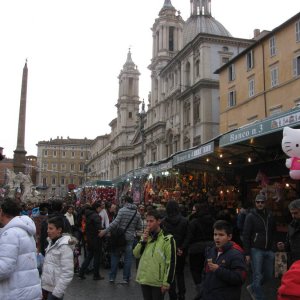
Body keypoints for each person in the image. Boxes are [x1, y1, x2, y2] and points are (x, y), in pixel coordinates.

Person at [0, 198, 42, 300]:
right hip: (26, 290)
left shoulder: (10, 234)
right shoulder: (24, 230)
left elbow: (4, 268)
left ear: (1, 212)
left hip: (16, 293)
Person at [133, 209, 176, 300]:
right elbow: (136, 254)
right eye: (147, 221)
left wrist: (166, 283)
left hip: (158, 282)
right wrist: (143, 242)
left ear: (158, 221)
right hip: (145, 279)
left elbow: (171, 262)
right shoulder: (145, 236)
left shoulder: (167, 239)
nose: (148, 224)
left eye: (151, 221)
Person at [199, 220, 247, 300]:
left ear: (229, 237)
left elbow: (239, 278)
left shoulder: (236, 254)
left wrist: (218, 270)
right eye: (215, 234)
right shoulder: (211, 250)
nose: (217, 237)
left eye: (221, 235)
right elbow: (205, 273)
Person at [99, 195, 142, 284]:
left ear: (126, 201)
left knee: (115, 256)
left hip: (119, 238)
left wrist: (105, 231)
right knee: (128, 259)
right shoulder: (137, 213)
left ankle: (112, 277)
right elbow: (139, 227)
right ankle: (126, 278)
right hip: (130, 238)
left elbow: (115, 223)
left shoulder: (122, 211)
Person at [243, 193, 277, 300]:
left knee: (269, 275)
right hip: (255, 249)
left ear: (265, 203)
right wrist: (247, 253)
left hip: (269, 250)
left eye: (262, 202)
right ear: (255, 203)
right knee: (257, 275)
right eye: (258, 202)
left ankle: (253, 287)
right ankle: (259, 297)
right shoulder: (250, 216)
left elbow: (273, 232)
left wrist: (274, 247)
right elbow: (246, 235)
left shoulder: (270, 215)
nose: (260, 204)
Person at [186, 202, 215, 300]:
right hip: (211, 249)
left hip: (196, 250)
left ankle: (201, 292)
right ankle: (206, 291)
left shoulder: (194, 222)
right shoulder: (213, 221)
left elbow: (189, 237)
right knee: (209, 270)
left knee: (196, 271)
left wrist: (183, 248)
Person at [161, 200, 189, 300]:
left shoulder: (164, 221)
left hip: (168, 251)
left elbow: (162, 237)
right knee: (180, 273)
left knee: (170, 272)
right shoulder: (185, 221)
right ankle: (182, 294)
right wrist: (182, 248)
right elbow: (187, 236)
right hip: (181, 250)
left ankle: (172, 295)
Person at [41, 216, 74, 300]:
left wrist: (57, 292)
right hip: (45, 287)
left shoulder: (65, 247)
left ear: (59, 230)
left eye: (51, 228)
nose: (48, 231)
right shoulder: (51, 242)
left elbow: (68, 273)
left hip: (55, 291)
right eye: (48, 228)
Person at [78, 201, 104, 280]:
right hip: (96, 239)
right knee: (96, 258)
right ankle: (96, 275)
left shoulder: (89, 215)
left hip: (90, 239)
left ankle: (81, 272)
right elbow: (99, 228)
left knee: (89, 257)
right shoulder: (95, 216)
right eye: (100, 208)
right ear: (97, 208)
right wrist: (104, 231)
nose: (101, 209)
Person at [277, 199, 300, 267]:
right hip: (293, 262)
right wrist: (283, 246)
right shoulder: (292, 225)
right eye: (291, 213)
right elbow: (288, 244)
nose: (293, 216)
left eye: (295, 213)